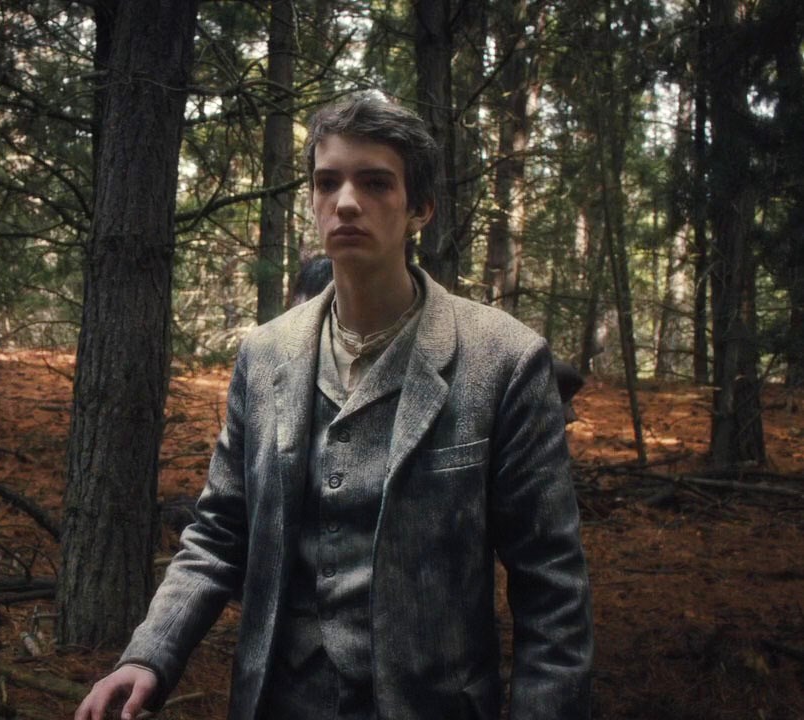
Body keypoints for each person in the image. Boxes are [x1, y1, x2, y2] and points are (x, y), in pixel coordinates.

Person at [75, 92, 593, 720]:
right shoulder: (265, 354)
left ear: (420, 208)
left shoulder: (503, 359)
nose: (346, 202)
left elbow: (551, 589)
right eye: (328, 183)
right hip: (280, 701)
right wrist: (147, 656)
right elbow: (219, 533)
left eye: (375, 183)